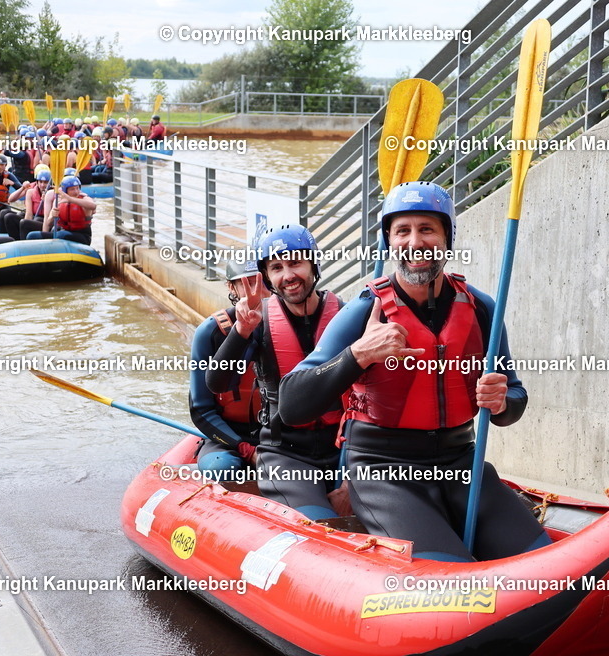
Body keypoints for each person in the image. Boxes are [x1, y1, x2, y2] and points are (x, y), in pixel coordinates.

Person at [278, 182, 550, 562]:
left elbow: (515, 399)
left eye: (427, 229)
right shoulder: (364, 311)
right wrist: (359, 353)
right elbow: (291, 404)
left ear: (446, 238)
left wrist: (503, 402)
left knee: (543, 560)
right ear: (389, 241)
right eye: (402, 231)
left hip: (460, 465)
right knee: (451, 580)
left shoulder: (483, 309)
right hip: (383, 471)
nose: (414, 241)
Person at [206, 225, 345, 520]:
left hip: (344, 451)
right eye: (276, 268)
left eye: (296, 263)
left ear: (313, 264)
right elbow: (216, 382)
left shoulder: (346, 314)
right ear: (268, 277)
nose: (288, 276)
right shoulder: (259, 322)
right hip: (286, 454)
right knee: (319, 522)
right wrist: (242, 330)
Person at [188, 257, 265, 482]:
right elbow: (201, 410)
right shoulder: (210, 333)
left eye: (261, 282)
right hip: (228, 436)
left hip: (278, 435)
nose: (256, 291)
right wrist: (245, 448)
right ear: (232, 287)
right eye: (247, 283)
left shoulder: (287, 326)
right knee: (222, 468)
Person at [25, 176, 95, 244]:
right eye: (72, 189)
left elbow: (93, 206)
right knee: (32, 235)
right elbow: (48, 223)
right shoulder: (57, 201)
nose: (76, 192)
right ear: (65, 190)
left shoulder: (84, 198)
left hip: (82, 236)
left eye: (77, 188)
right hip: (62, 233)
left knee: (61, 235)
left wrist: (70, 199)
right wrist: (52, 216)